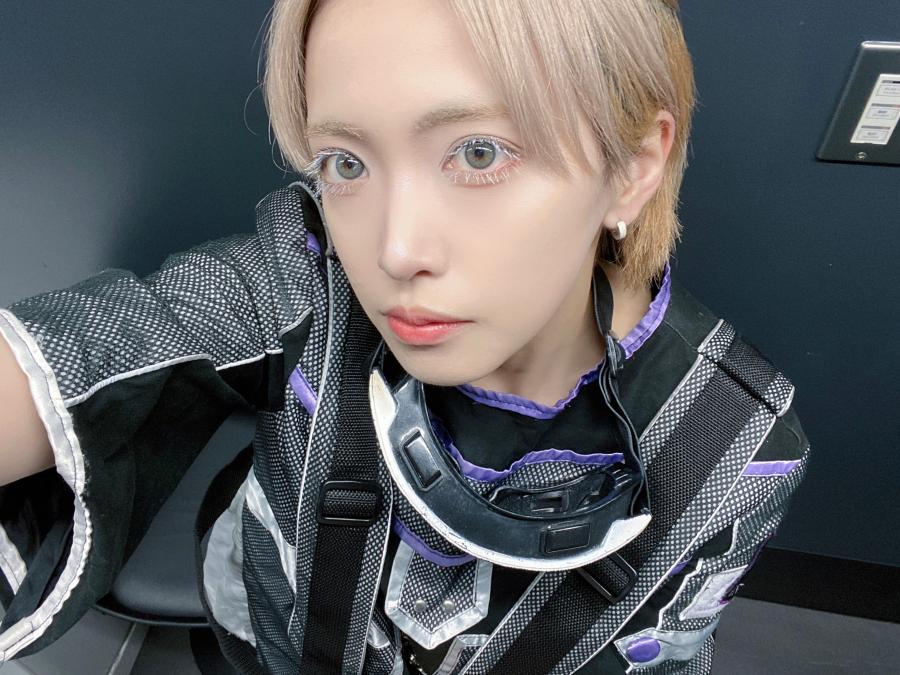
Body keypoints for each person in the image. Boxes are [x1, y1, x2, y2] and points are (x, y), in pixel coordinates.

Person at [0, 0, 811, 673]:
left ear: (632, 166)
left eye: (479, 152)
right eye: (345, 163)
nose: (393, 251)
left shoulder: (734, 445)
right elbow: (110, 339)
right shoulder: (303, 281)